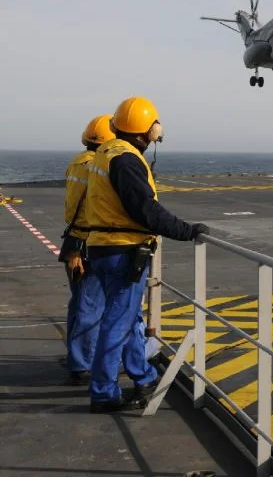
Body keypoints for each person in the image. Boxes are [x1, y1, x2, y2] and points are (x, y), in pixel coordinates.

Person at [85, 96, 209, 413]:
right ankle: (102, 393)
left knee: (126, 319)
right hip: (122, 251)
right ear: (149, 132)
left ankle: (143, 377)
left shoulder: (105, 152)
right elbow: (145, 211)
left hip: (103, 246)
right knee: (117, 324)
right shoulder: (126, 160)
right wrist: (186, 230)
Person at [58, 114, 114, 385]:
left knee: (79, 304)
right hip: (89, 242)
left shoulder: (76, 163)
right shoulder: (99, 167)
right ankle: (81, 365)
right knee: (90, 306)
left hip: (73, 241)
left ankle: (77, 356)